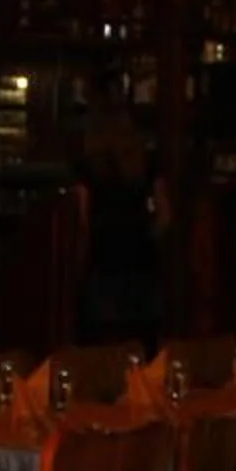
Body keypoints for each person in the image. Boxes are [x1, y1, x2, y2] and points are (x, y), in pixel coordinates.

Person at [72, 82, 165, 341]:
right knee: (142, 341)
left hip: (102, 259)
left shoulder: (88, 168)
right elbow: (165, 215)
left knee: (104, 343)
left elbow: (82, 221)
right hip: (141, 259)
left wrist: (78, 266)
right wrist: (146, 235)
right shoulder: (145, 165)